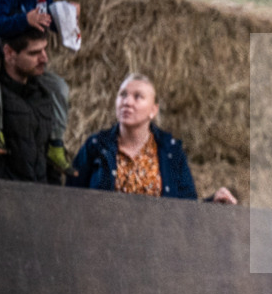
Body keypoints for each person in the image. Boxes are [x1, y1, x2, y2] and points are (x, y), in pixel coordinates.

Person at [68, 73, 238, 204]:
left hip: (157, 244)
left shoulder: (171, 151)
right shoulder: (96, 146)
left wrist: (212, 202)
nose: (127, 102)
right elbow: (70, 198)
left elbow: (188, 208)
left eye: (138, 97)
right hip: (103, 241)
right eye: (123, 95)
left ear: (153, 110)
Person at [0, 0, 76, 173]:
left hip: (25, 60)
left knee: (60, 88)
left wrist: (67, 15)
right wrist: (24, 20)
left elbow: (49, 21)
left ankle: (56, 143)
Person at [0, 28, 60, 183]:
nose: (44, 58)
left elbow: (50, 159)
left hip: (39, 200)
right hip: (3, 201)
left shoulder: (44, 96)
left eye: (44, 50)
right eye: (34, 53)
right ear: (9, 53)